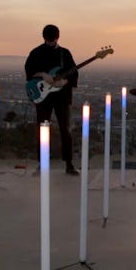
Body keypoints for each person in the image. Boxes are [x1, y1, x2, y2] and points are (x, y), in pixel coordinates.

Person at [24, 24, 79, 175]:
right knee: (42, 130)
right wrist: (42, 74)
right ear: (44, 38)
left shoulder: (65, 53)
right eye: (48, 40)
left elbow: (74, 73)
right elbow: (29, 72)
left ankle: (69, 164)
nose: (50, 42)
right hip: (43, 98)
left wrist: (64, 82)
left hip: (62, 96)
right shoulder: (35, 53)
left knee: (65, 129)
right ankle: (42, 163)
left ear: (57, 38)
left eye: (52, 40)